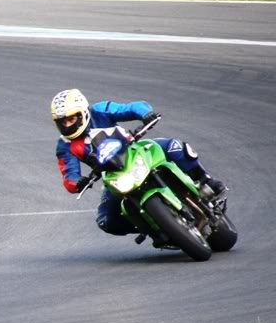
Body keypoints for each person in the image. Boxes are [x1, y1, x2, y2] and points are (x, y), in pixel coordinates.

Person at [50, 89, 226, 236]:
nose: (67, 125)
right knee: (106, 222)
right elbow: (68, 174)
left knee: (175, 147)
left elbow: (131, 107)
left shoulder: (100, 110)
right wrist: (77, 183)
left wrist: (146, 114)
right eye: (62, 122)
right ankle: (153, 227)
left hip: (136, 149)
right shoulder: (64, 145)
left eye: (72, 119)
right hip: (113, 174)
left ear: (83, 113)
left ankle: (205, 181)